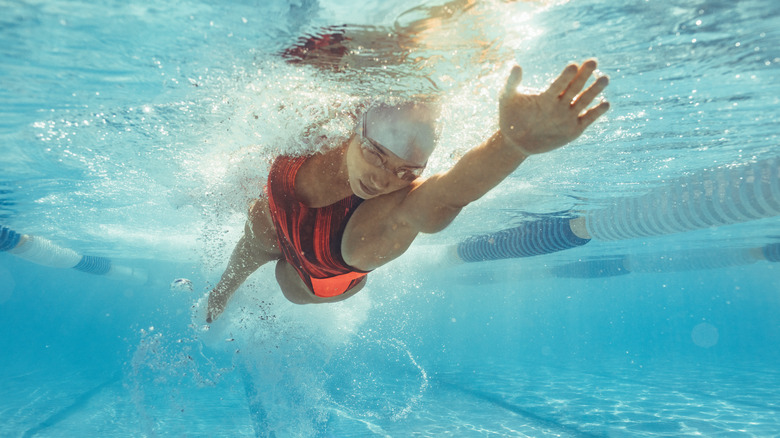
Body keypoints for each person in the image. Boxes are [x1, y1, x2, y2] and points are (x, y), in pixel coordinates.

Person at [206, 60, 610, 322]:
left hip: (320, 275)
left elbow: (450, 193)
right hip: (281, 223)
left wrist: (514, 144)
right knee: (260, 225)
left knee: (285, 280)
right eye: (377, 155)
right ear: (354, 128)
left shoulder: (383, 222)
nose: (384, 180)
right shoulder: (320, 125)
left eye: (406, 171)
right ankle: (220, 294)